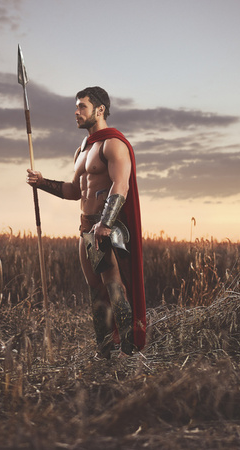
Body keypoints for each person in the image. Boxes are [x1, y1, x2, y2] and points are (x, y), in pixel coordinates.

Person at [26, 87, 147, 358]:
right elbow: (74, 191)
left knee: (115, 287)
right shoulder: (81, 150)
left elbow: (120, 185)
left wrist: (105, 223)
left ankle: (130, 353)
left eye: (82, 106)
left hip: (105, 228)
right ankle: (105, 352)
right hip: (85, 228)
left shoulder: (113, 143)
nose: (76, 112)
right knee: (96, 291)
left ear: (100, 110)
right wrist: (42, 182)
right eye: (76, 106)